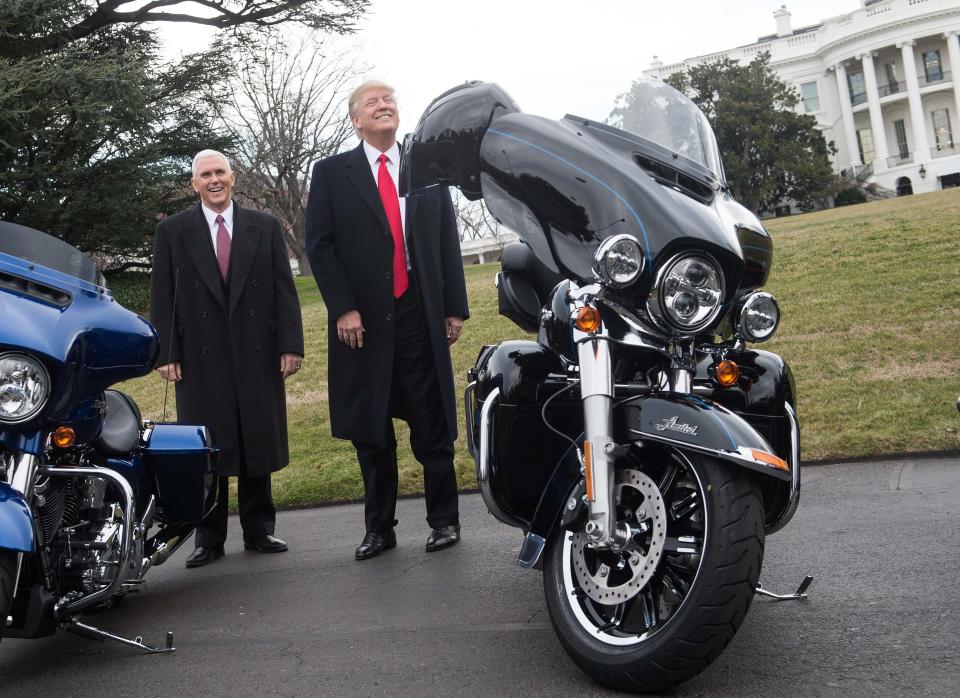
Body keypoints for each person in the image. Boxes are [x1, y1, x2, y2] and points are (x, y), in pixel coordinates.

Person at [305, 81, 469, 560]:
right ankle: (380, 528)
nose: (384, 105)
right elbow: (321, 246)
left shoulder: (425, 170)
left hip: (418, 311)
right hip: (363, 323)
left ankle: (444, 521)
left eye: (390, 100)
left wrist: (453, 306)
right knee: (371, 431)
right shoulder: (333, 173)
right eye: (372, 102)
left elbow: (445, 239)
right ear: (355, 119)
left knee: (431, 424)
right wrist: (343, 307)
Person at [150, 149, 305, 568]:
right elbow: (162, 296)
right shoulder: (174, 232)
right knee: (206, 447)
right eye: (205, 175)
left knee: (256, 438)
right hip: (199, 353)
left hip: (257, 348)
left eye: (220, 172)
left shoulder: (265, 227)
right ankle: (208, 537)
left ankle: (260, 531)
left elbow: (284, 292)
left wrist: (290, 345)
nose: (214, 180)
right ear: (194, 184)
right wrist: (166, 352)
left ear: (233, 177)